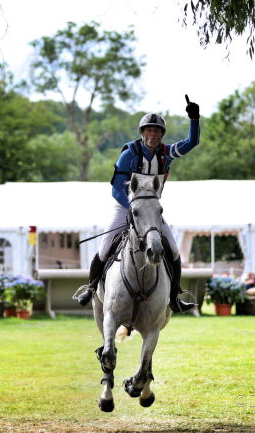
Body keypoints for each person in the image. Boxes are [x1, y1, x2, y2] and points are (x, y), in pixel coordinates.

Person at [76, 99, 202, 313]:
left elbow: (192, 142)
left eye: (157, 131)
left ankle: (174, 297)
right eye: (149, 131)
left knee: (173, 250)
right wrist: (133, 211)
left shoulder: (167, 153)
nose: (153, 135)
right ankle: (90, 287)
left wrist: (194, 119)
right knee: (105, 247)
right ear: (142, 133)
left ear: (162, 135)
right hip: (123, 206)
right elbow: (116, 189)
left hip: (151, 212)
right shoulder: (129, 153)